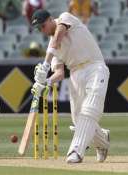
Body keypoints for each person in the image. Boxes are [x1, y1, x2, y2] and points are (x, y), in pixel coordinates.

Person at [30, 9, 110, 163]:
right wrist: (45, 83)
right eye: (39, 29)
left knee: (90, 108)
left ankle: (76, 151)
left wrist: (45, 65)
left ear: (50, 19)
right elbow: (59, 73)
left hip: (94, 66)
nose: (42, 30)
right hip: (75, 75)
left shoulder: (65, 18)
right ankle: (102, 141)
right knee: (78, 118)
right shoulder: (52, 48)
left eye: (43, 25)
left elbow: (58, 37)